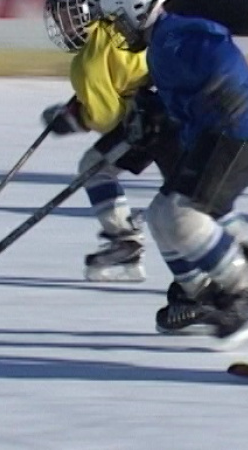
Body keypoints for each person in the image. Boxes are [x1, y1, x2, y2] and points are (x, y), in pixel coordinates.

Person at [96, 0, 248, 348]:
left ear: (138, 9)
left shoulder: (175, 36)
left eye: (120, 19)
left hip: (238, 131)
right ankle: (202, 294)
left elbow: (217, 44)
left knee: (183, 215)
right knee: (160, 214)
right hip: (221, 134)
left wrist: (221, 89)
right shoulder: (159, 49)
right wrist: (151, 117)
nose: (118, 29)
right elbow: (180, 104)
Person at [42, 0, 180, 282]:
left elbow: (106, 117)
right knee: (186, 188)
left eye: (68, 18)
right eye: (60, 21)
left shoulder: (86, 62)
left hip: (145, 122)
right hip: (172, 107)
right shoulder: (117, 26)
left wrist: (74, 120)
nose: (63, 27)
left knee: (93, 168)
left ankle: (124, 240)